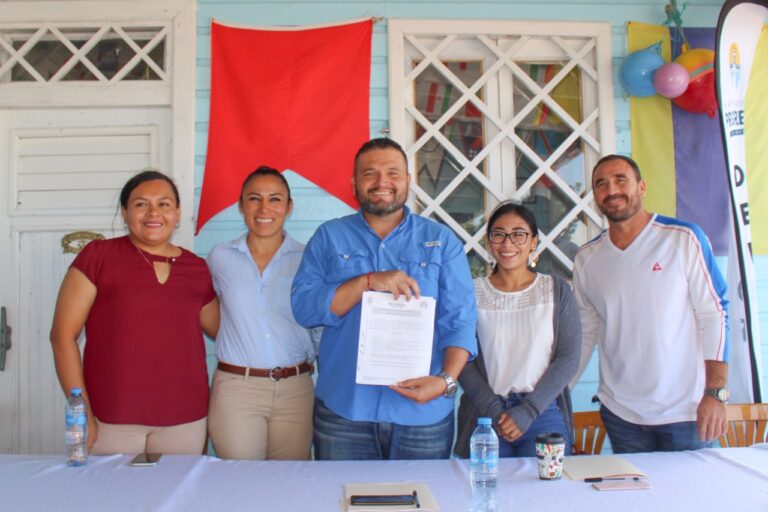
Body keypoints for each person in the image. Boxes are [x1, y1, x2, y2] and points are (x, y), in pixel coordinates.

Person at [291, 138, 477, 460]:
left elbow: (460, 321)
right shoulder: (328, 237)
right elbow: (305, 309)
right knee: (343, 503)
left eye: (392, 173)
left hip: (423, 415)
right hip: (345, 411)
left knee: (423, 503)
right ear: (354, 184)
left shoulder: (441, 241)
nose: (382, 183)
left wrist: (445, 381)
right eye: (370, 174)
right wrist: (366, 282)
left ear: (407, 180)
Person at [50, 170, 219, 455]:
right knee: (110, 498)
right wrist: (81, 412)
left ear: (177, 213)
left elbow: (227, 332)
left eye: (164, 204)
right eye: (141, 204)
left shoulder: (196, 268)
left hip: (185, 417)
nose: (154, 212)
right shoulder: (98, 257)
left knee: (179, 495)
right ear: (125, 212)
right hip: (111, 416)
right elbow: (62, 337)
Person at [571, 154, 729, 453]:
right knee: (634, 501)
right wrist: (559, 391)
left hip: (688, 413)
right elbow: (585, 331)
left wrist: (715, 394)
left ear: (641, 187)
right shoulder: (587, 258)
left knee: (697, 499)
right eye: (601, 184)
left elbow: (714, 315)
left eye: (621, 180)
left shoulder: (684, 239)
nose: (611, 190)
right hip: (622, 415)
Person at [455, 202, 581, 458]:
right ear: (490, 242)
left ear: (533, 241)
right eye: (498, 234)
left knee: (549, 495)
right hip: (486, 417)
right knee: (484, 495)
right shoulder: (471, 293)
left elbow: (568, 358)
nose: (507, 242)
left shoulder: (557, 291)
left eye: (518, 234)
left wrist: (527, 411)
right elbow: (461, 357)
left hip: (542, 413)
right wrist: (495, 411)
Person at [206, 166, 316, 460]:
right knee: (239, 484)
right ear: (241, 205)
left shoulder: (308, 258)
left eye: (275, 199)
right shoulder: (220, 257)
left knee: (290, 485)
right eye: (254, 199)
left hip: (296, 390)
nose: (264, 208)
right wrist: (242, 336)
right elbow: (210, 312)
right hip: (237, 391)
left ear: (288, 207)